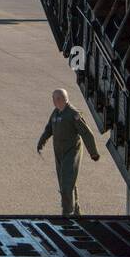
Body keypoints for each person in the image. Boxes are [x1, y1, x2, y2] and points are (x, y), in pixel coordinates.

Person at [36, 88, 101, 216]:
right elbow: (49, 129)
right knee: (66, 181)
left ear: (63, 99)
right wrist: (41, 142)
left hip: (71, 152)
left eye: (56, 99)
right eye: (54, 99)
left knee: (66, 182)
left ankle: (67, 212)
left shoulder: (73, 114)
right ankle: (76, 210)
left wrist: (93, 152)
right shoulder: (56, 113)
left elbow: (86, 133)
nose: (54, 101)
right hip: (59, 153)